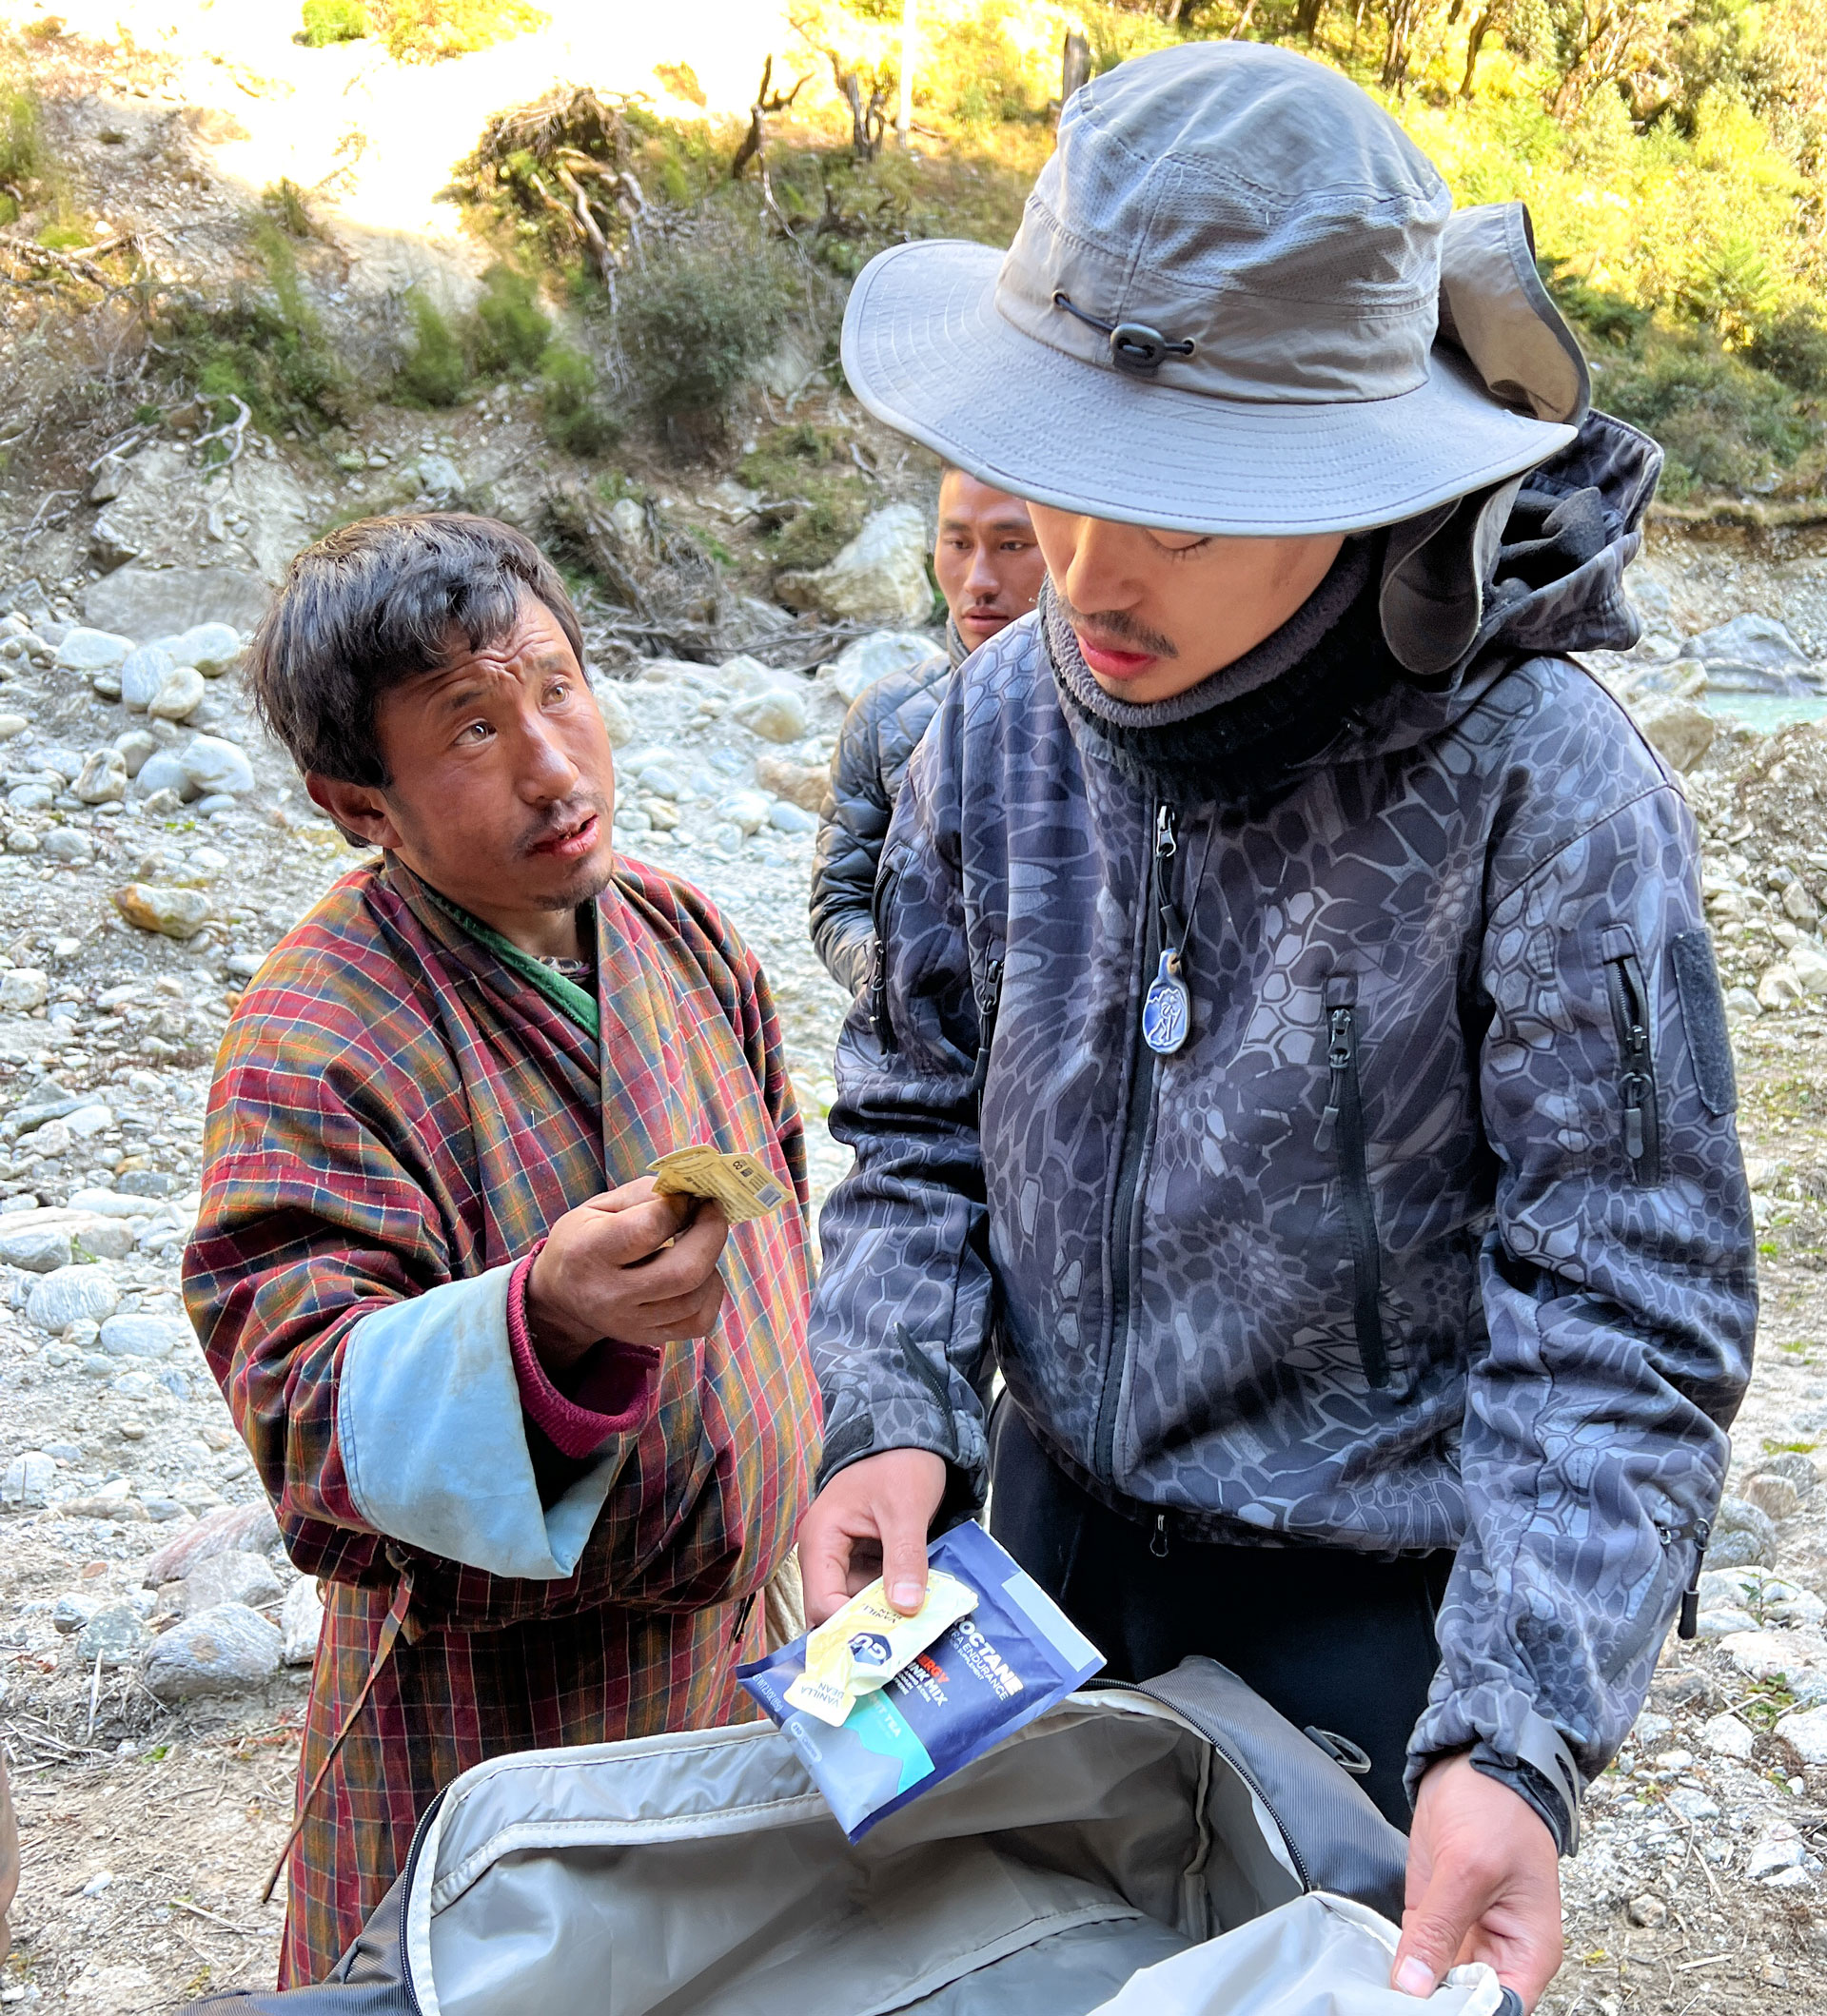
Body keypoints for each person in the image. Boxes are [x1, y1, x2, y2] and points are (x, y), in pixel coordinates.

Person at [797, 43, 1754, 2015]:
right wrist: (892, 1404)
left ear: (1351, 477)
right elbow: (909, 1113)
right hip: (1041, 1562)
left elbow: (1627, 1298)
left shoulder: (1538, 789)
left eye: (1188, 509)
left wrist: (1512, 1731)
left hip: (1379, 1631)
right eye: (1065, 484)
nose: (1089, 570)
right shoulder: (986, 730)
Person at [182, 515, 817, 1985]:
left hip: (729, 1665)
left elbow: (790, 1226)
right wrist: (538, 1321)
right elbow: (302, 1403)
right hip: (495, 1727)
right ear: (362, 803)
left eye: (555, 687)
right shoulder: (319, 1036)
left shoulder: (682, 935)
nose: (551, 760)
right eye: (472, 725)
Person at [811, 468, 1047, 993]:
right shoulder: (885, 717)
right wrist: (901, 985)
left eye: (1011, 544)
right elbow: (840, 899)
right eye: (958, 543)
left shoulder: (1127, 714)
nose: (979, 580)